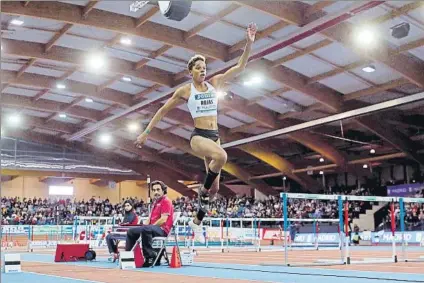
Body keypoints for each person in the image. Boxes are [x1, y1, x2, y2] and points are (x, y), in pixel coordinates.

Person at [134, 22, 257, 243]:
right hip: (199, 136)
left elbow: (240, 66)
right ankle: (201, 192)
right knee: (222, 157)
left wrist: (249, 43)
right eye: (198, 68)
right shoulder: (185, 90)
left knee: (216, 188)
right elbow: (162, 111)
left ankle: (197, 221)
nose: (203, 70)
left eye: (204, 67)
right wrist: (146, 132)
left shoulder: (215, 83)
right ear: (190, 71)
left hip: (215, 135)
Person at [124, 180, 174, 267]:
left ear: (163, 190)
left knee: (146, 229)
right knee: (131, 231)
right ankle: (129, 257)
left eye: (158, 190)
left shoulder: (166, 201)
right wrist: (142, 226)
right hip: (151, 229)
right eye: (154, 190)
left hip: (162, 230)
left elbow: (163, 220)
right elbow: (149, 219)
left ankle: (150, 257)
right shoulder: (155, 203)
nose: (156, 192)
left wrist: (148, 226)